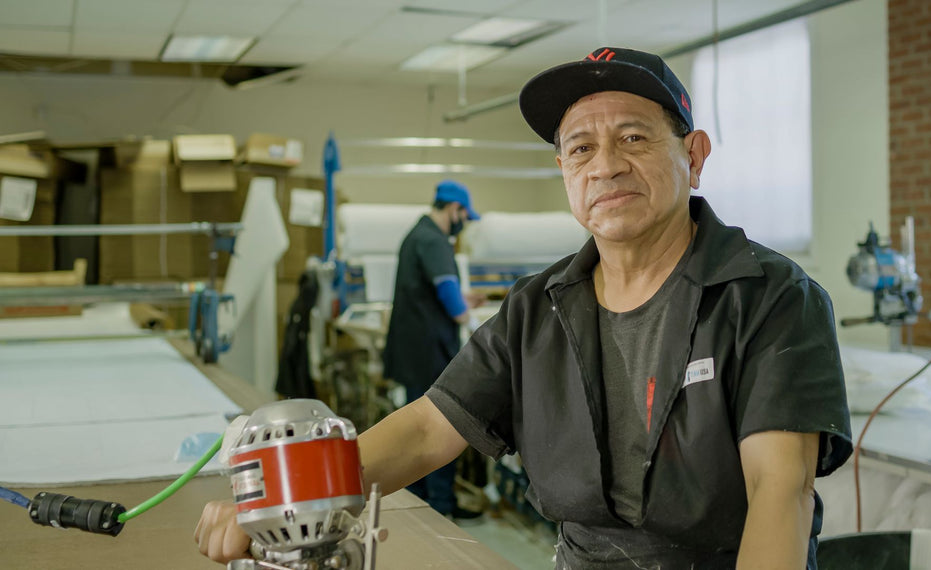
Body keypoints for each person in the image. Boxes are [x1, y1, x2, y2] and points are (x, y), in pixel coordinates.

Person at [196, 47, 852, 569]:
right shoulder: (536, 310)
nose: (606, 167)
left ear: (694, 156)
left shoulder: (770, 298)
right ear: (566, 172)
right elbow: (428, 428)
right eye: (581, 148)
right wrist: (281, 501)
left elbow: (780, 490)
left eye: (634, 138)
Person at [381, 179, 485, 517]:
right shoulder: (434, 240)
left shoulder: (417, 235)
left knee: (417, 428)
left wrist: (461, 299)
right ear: (454, 210)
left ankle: (422, 502)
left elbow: (430, 289)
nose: (463, 225)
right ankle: (441, 506)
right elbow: (448, 296)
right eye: (464, 217)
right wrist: (466, 314)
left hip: (415, 350)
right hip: (428, 353)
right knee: (440, 426)